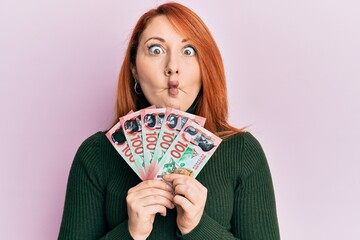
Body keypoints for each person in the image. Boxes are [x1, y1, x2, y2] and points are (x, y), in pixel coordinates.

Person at [58, 2, 280, 239]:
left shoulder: (243, 153)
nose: (173, 67)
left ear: (205, 65)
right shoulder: (96, 155)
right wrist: (130, 233)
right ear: (134, 68)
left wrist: (198, 227)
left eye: (188, 51)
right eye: (156, 50)